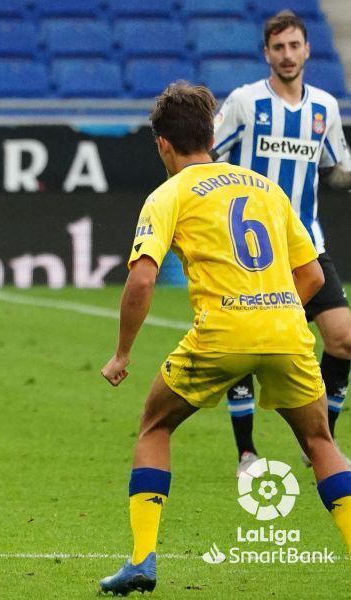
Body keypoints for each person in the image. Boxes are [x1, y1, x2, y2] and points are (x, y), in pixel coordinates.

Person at [99, 83, 351, 595]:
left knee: (154, 426)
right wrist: (276, 317)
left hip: (220, 334)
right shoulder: (264, 187)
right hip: (285, 329)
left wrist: (123, 352)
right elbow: (314, 276)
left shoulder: (169, 194)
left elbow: (142, 279)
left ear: (162, 145)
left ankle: (143, 559)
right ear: (212, 135)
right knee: (321, 442)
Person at [212, 10, 351, 477]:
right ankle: (246, 453)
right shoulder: (245, 102)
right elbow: (205, 155)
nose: (288, 55)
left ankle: (320, 447)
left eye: (295, 46)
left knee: (344, 338)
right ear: (266, 53)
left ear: (308, 50)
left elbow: (337, 166)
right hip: (249, 249)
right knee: (244, 347)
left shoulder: (325, 108)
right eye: (279, 47)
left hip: (306, 244)